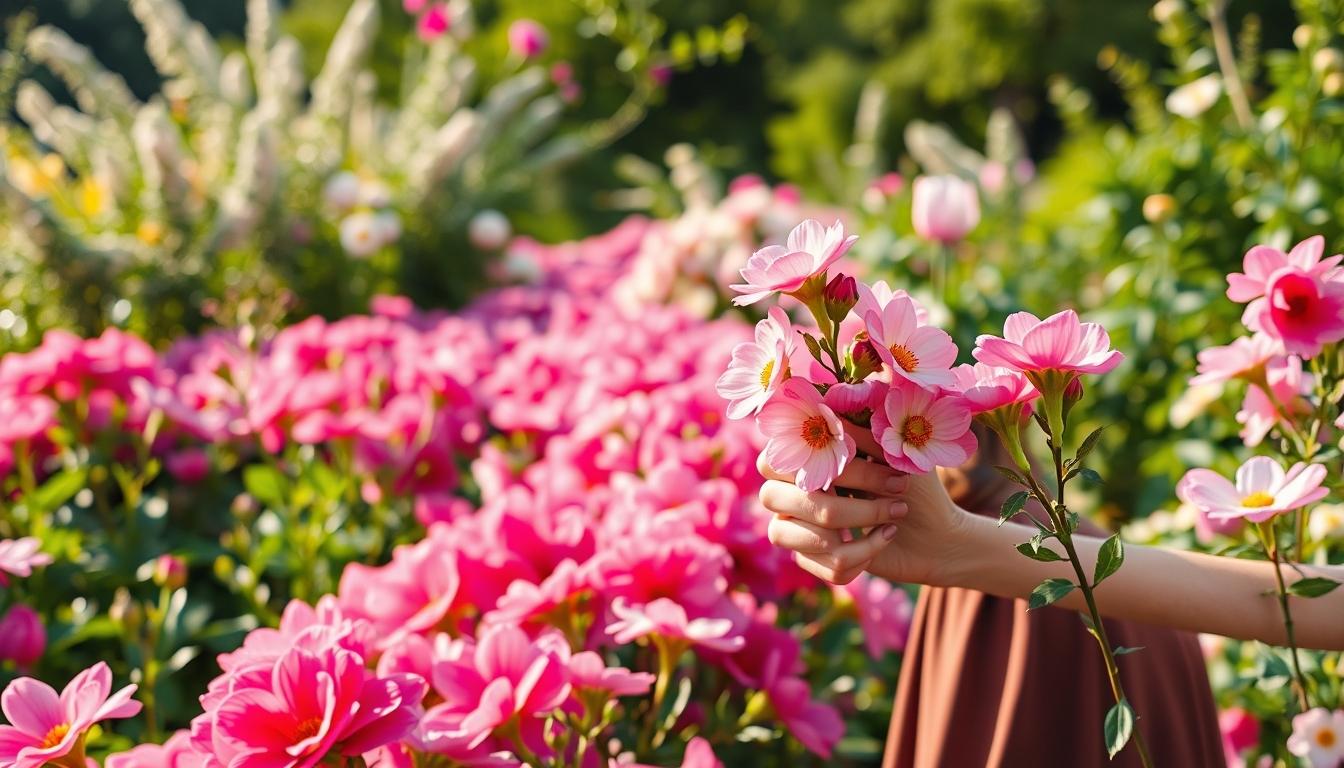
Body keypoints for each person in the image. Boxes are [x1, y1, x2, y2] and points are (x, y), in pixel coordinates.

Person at [760, 424, 1341, 766]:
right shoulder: (1030, 543)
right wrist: (963, 547)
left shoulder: (1026, 583)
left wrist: (967, 548)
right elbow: (1288, 602)